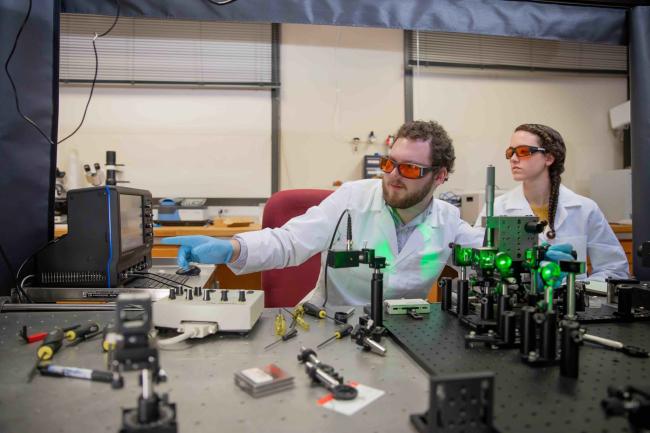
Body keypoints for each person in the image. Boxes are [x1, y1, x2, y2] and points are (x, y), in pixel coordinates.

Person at [162, 120, 484, 306]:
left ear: (440, 176)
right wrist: (233, 247)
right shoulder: (351, 199)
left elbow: (491, 253)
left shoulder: (447, 221)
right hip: (330, 328)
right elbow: (290, 242)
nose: (394, 175)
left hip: (404, 334)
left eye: (410, 169)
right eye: (390, 163)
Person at [475, 123, 629, 281]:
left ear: (548, 158)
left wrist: (575, 288)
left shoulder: (585, 209)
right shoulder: (498, 208)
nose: (513, 159)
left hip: (572, 303)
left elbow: (614, 269)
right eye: (510, 152)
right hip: (515, 302)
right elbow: (476, 265)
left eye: (523, 151)